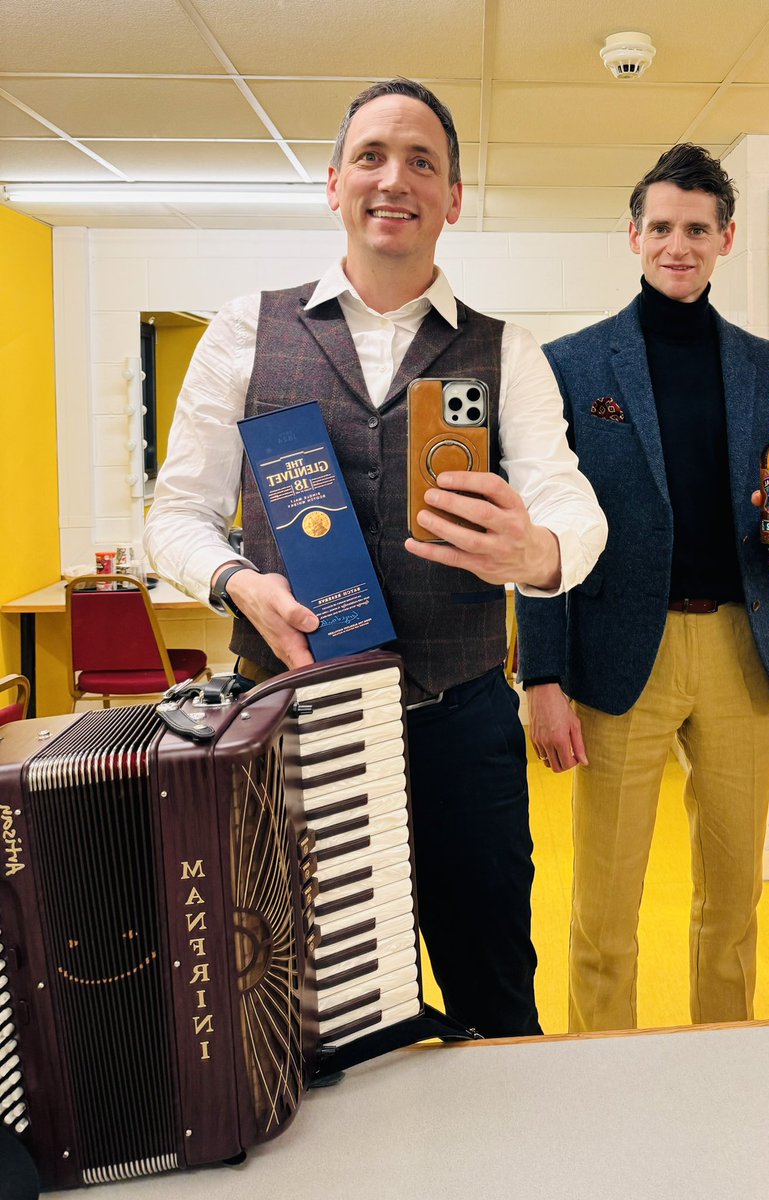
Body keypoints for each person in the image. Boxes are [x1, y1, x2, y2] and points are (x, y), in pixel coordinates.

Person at [144, 78, 607, 1038]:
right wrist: (235, 582)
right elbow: (177, 513)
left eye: (423, 162)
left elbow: (566, 493)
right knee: (305, 994)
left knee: (490, 989)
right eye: (371, 156)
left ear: (453, 198)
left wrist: (540, 548)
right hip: (291, 723)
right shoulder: (245, 330)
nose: (394, 179)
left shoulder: (506, 351)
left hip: (460, 728)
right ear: (333, 184)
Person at [514, 144, 769, 1033]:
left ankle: (722, 1066)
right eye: (661, 227)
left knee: (731, 902)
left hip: (739, 647)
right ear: (633, 236)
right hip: (620, 657)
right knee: (605, 909)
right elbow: (539, 531)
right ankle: (600, 1073)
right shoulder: (571, 366)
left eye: (697, 228)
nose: (677, 244)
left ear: (725, 238)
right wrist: (542, 678)